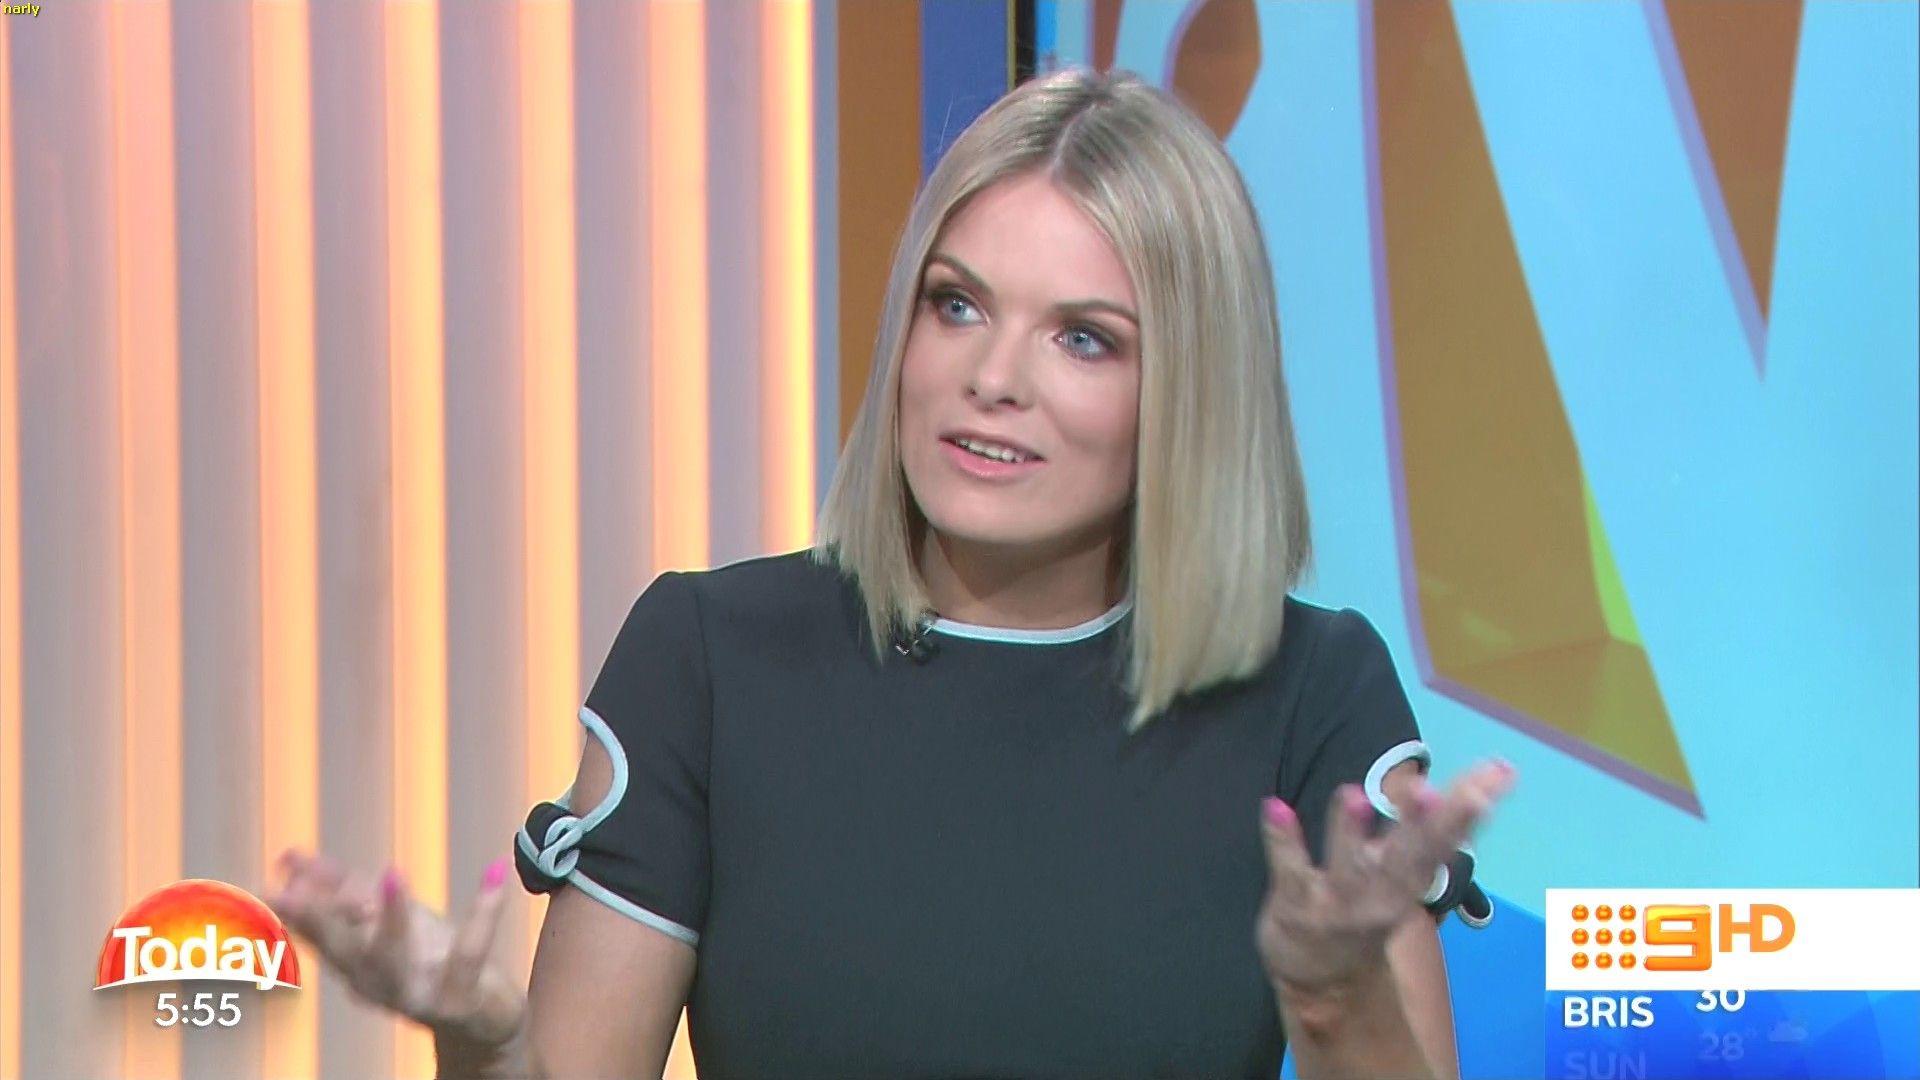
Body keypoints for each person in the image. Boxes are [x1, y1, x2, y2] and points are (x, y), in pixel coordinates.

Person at [268, 66, 1510, 1079]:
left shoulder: (1310, 692)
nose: (991, 378)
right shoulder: (710, 659)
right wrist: (485, 1053)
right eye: (957, 306)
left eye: (1083, 339)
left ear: (1193, 394)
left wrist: (1338, 998)